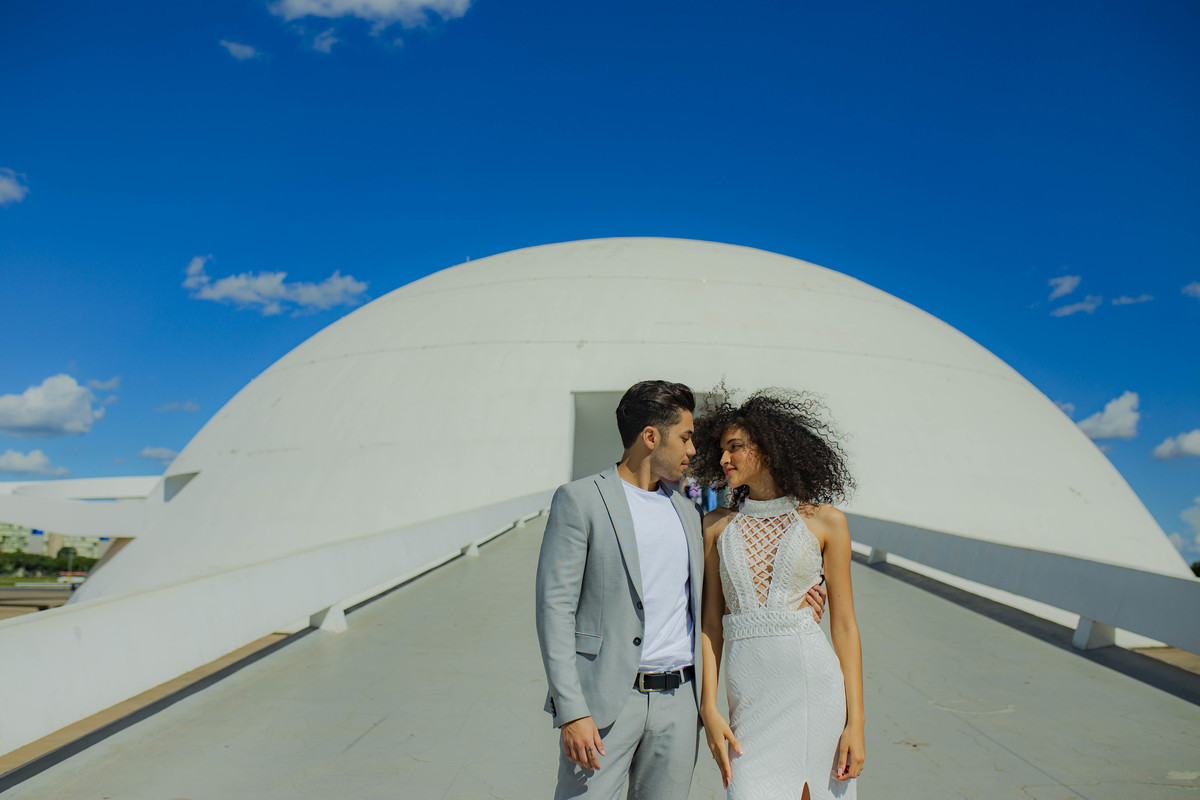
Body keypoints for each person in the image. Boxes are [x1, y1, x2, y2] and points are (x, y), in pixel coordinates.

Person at [534, 379, 829, 799]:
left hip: (680, 703)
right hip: (603, 707)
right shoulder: (581, 500)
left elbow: (722, 600)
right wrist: (571, 710)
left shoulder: (690, 514)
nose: (694, 450)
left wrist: (796, 604)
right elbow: (554, 609)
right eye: (686, 437)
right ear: (651, 437)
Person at [691, 388, 864, 800]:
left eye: (734, 448)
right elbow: (711, 623)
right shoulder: (715, 526)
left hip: (812, 691)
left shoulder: (827, 522)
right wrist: (709, 707)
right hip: (748, 698)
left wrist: (855, 721)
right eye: (720, 450)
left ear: (767, 449)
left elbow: (843, 626)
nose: (723, 460)